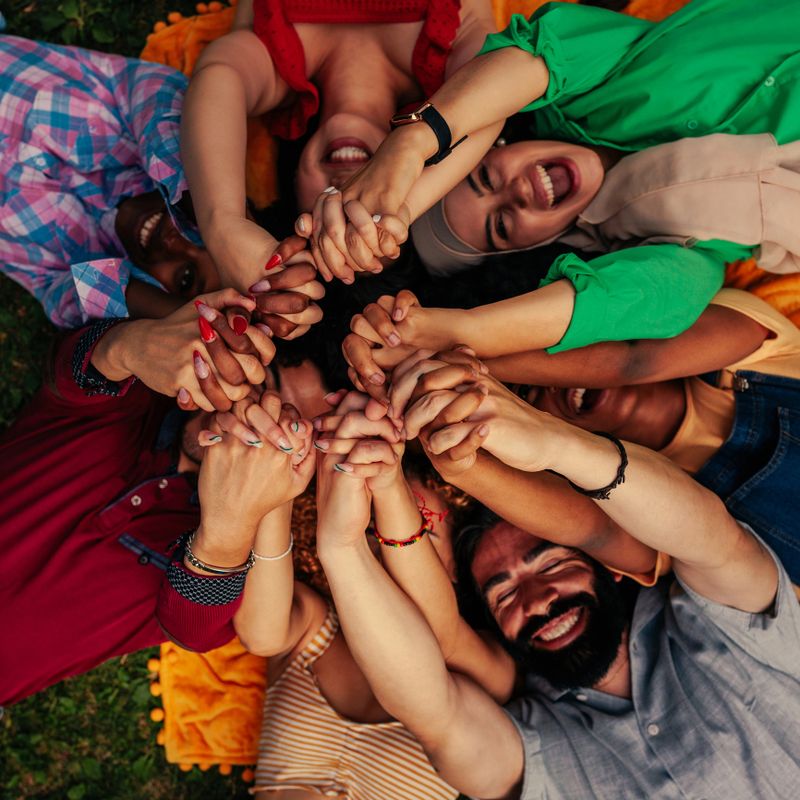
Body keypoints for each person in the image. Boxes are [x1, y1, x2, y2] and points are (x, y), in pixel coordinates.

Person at [314, 358, 800, 800]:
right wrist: (345, 543)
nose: (539, 599)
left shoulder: (722, 625)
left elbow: (713, 540)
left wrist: (548, 441)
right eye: (503, 595)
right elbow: (433, 709)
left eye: (553, 565)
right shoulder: (532, 739)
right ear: (494, 630)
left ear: (606, 569)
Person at [306, 0, 800, 350]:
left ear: (497, 142)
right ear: (534, 248)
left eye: (485, 178)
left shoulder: (579, 85)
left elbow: (527, 66)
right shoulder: (672, 244)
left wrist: (409, 150)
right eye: (501, 226)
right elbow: (651, 302)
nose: (516, 194)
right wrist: (464, 330)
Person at [0, 288, 311, 706]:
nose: (261, 423)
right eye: (261, 388)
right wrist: (132, 346)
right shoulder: (131, 406)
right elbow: (75, 375)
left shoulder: (237, 561)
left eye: (292, 427)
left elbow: (192, 628)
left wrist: (237, 522)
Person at [226, 391, 512, 799]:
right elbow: (261, 633)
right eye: (370, 521)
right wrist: (284, 463)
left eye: (420, 525)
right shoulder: (312, 626)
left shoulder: (489, 669)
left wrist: (388, 484)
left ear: (453, 566)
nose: (381, 535)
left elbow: (440, 633)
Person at [0, 35, 321, 336]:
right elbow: (167, 108)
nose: (176, 241)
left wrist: (186, 316)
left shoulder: (67, 267)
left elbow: (70, 298)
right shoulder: (160, 115)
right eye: (199, 231)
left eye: (185, 278)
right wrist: (228, 224)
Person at [179, 0, 499, 292]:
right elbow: (495, 95)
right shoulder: (448, 59)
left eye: (330, 210)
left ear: (292, 186)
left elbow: (219, 74)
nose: (348, 184)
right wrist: (403, 203)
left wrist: (223, 225)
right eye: (371, 208)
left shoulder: (277, 64)